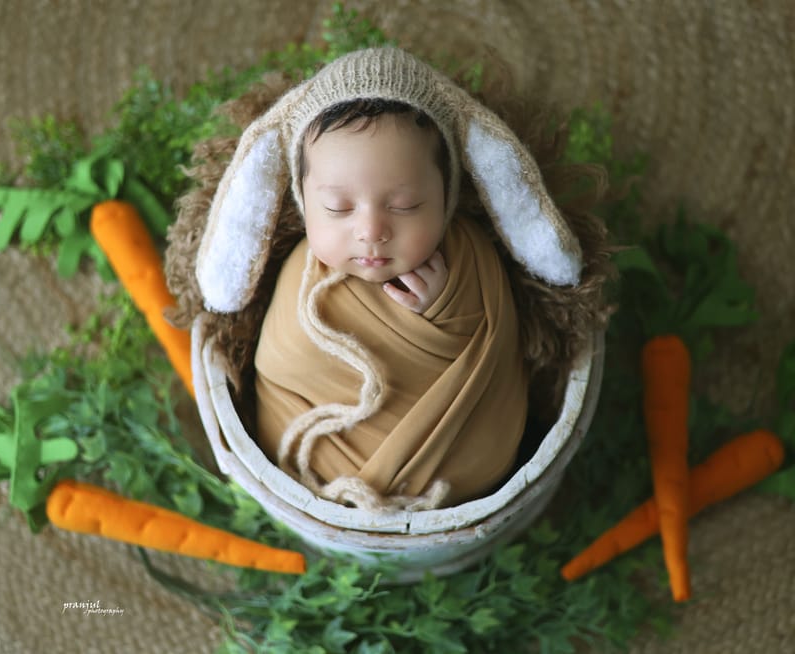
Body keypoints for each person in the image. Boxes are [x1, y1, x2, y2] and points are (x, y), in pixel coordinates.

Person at [177, 47, 610, 511]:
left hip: (459, 469)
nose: (371, 231)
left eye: (404, 205)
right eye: (339, 208)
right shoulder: (299, 276)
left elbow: (497, 347)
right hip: (310, 453)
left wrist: (448, 307)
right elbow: (281, 368)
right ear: (302, 200)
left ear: (447, 197)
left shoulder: (472, 258)